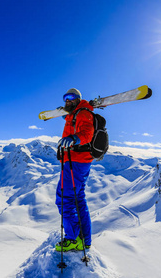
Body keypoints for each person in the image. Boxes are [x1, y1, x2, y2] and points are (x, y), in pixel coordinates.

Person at [55, 88, 94, 252]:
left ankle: (72, 239)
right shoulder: (75, 114)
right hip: (77, 161)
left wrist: (74, 138)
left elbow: (87, 133)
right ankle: (85, 240)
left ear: (78, 99)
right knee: (78, 200)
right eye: (65, 98)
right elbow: (75, 125)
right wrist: (67, 116)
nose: (67, 100)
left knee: (64, 199)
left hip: (75, 162)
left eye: (71, 98)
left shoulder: (83, 113)